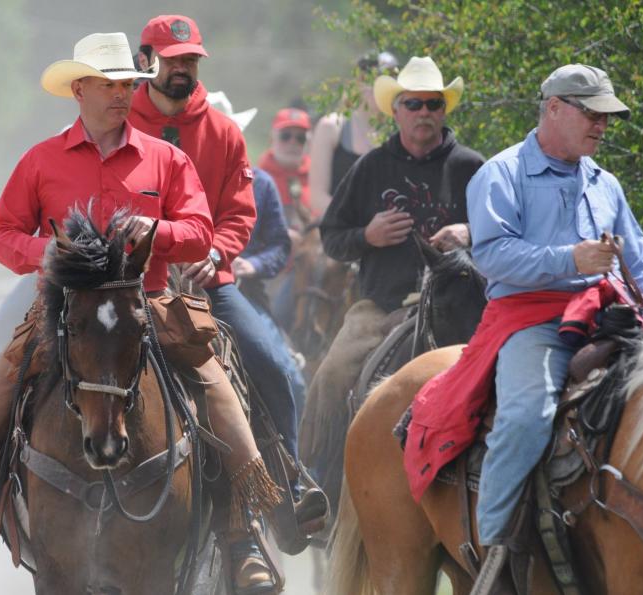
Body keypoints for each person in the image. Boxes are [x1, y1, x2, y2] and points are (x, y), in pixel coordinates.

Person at [0, 32, 281, 594]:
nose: (122, 95)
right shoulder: (42, 160)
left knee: (215, 385)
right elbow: (1, 234)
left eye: (128, 84)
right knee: (0, 394)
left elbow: (201, 232)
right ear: (78, 89)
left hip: (148, 303)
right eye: (109, 84)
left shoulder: (167, 159)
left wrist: (158, 230)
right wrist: (45, 252)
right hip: (62, 310)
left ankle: (241, 535)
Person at [128, 14, 327, 589]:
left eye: (192, 60)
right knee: (30, 366)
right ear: (147, 61)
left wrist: (215, 252)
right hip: (128, 285)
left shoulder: (222, 132)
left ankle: (287, 485)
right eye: (174, 59)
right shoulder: (120, 122)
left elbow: (241, 213)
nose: (184, 69)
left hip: (208, 285)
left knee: (277, 366)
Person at [462, 63, 643, 583]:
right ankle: (494, 555)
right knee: (524, 417)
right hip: (534, 319)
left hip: (611, 317)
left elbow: (641, 261)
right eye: (592, 113)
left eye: (606, 117)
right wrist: (571, 260)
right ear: (553, 108)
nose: (602, 125)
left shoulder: (605, 183)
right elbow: (493, 256)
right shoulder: (500, 174)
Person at [299, 56, 485, 518]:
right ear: (396, 110)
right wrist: (368, 236)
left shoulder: (473, 167)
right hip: (381, 306)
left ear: (445, 110)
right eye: (413, 103)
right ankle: (314, 490)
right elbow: (331, 236)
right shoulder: (370, 167)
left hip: (464, 307)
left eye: (433, 103)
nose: (424, 112)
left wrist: (470, 231)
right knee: (332, 376)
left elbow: (505, 231)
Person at [206, 91, 308, 419]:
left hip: (244, 292)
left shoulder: (261, 184)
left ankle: (291, 467)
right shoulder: (175, 172)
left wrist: (252, 264)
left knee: (290, 378)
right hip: (179, 291)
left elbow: (279, 245)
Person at [309, 50, 399, 217]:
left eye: (386, 79)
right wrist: (360, 229)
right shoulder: (332, 127)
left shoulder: (402, 131)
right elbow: (317, 197)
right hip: (339, 234)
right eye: (369, 78)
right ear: (357, 83)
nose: (376, 85)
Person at [258, 108, 314, 235]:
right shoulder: (256, 177)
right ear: (272, 139)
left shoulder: (317, 177)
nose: (293, 142)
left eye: (300, 138)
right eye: (285, 136)